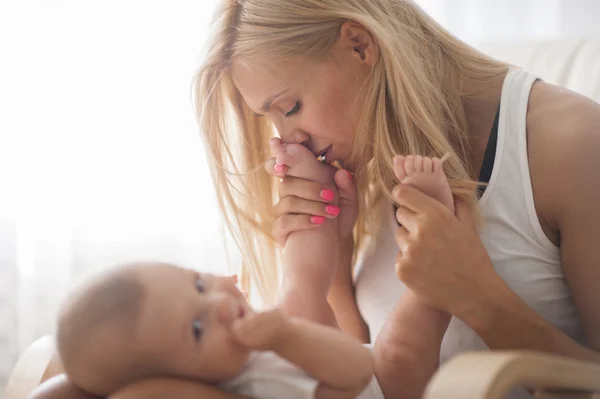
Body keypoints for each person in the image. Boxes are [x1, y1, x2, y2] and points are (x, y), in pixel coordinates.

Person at [193, 0, 600, 398]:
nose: (288, 140)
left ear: (359, 46)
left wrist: (477, 295)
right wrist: (332, 262)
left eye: (291, 107)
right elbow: (369, 380)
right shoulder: (361, 158)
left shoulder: (570, 142)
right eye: (273, 120)